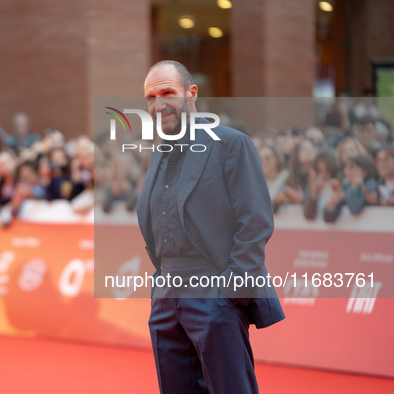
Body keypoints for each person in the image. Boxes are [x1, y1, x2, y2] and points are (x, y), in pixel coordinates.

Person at [137, 60, 284, 394]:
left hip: (215, 291)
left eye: (167, 93)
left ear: (191, 94)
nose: (158, 105)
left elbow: (256, 221)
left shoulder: (231, 143)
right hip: (166, 296)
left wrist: (232, 292)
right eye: (150, 98)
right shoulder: (159, 151)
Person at [324, 155, 379, 222]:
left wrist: (354, 187)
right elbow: (328, 219)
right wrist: (332, 203)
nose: (346, 171)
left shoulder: (371, 185)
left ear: (364, 171)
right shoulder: (346, 186)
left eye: (351, 167)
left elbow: (354, 209)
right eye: (346, 167)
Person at [302, 150, 340, 220]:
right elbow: (309, 215)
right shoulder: (311, 186)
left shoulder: (338, 184)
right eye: (320, 170)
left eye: (326, 169)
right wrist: (315, 193)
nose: (324, 174)